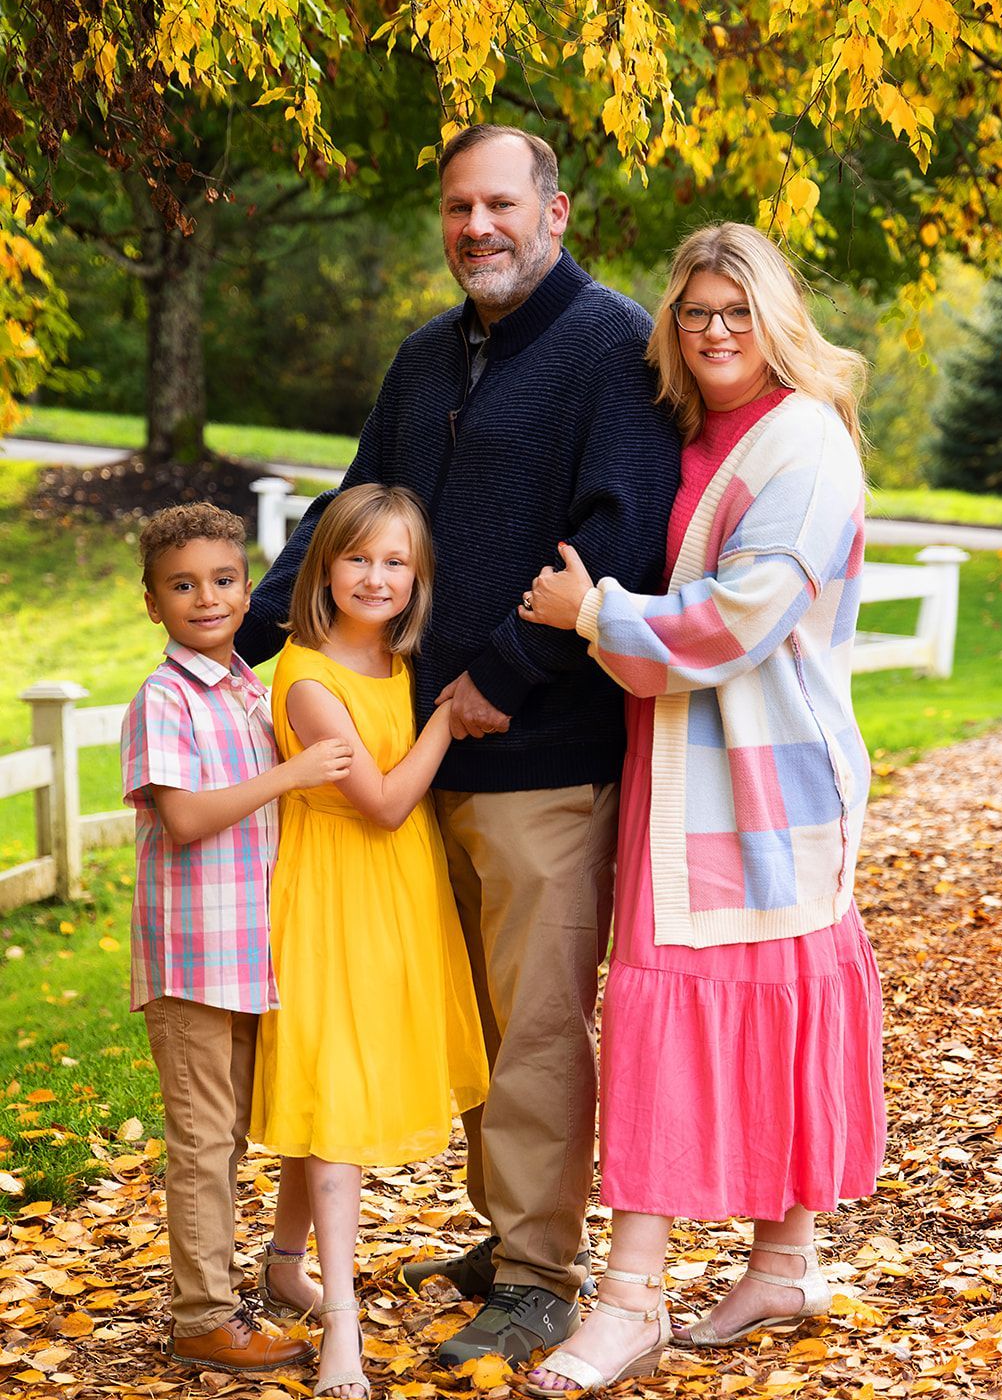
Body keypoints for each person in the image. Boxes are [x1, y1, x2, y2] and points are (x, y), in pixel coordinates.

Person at [236, 125, 680, 1366]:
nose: (474, 226)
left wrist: (500, 672)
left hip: (536, 748)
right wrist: (249, 641)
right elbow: (349, 513)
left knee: (533, 1021)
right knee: (467, 1020)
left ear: (555, 209)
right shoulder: (426, 354)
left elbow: (619, 534)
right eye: (454, 207)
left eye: (497, 204)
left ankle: (540, 1271)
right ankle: (506, 1234)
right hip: (407, 744)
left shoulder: (611, 347)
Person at [517, 222, 886, 1396]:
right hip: (696, 776)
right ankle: (782, 1258)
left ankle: (628, 1301)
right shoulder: (701, 433)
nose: (714, 331)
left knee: (678, 1020)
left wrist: (591, 614)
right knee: (740, 1010)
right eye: (693, 312)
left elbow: (734, 622)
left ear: (776, 319)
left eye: (736, 310)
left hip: (758, 787)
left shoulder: (805, 447)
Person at [247, 484, 489, 1399]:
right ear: (324, 568)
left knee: (327, 1093)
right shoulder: (309, 678)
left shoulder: (395, 654)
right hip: (334, 896)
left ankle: (281, 1260)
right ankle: (342, 1330)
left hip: (397, 897)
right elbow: (385, 805)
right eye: (358, 559)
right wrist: (443, 721)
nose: (377, 576)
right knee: (336, 1096)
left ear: (418, 575)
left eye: (396, 562)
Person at [120, 503, 353, 1376]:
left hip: (255, 957)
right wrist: (286, 774)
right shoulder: (166, 697)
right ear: (152, 603)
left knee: (241, 1132)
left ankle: (257, 1278)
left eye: (222, 581)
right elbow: (182, 819)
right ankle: (203, 1317)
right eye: (182, 585)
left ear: (247, 589)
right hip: (192, 963)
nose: (206, 598)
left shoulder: (252, 688)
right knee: (203, 1142)